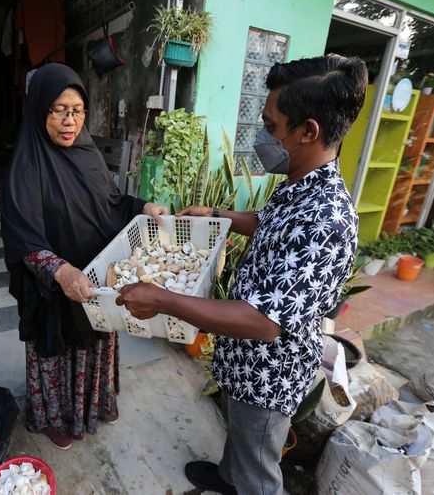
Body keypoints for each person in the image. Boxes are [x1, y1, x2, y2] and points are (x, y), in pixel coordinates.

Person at [115, 54, 367, 494]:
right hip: (242, 363)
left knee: (259, 469)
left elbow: (263, 322)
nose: (264, 137)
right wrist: (219, 215)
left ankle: (242, 483)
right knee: (240, 439)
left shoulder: (326, 217)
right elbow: (269, 223)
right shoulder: (301, 184)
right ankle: (227, 477)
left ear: (309, 131)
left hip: (268, 374)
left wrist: (162, 299)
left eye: (272, 127)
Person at [0, 63, 167, 450]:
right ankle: (57, 418)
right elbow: (22, 239)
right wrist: (60, 272)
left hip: (95, 278)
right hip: (57, 287)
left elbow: (110, 202)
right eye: (58, 109)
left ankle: (96, 404)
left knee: (96, 341)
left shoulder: (87, 153)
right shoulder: (25, 166)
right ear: (40, 109)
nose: (69, 120)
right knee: (59, 350)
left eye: (77, 110)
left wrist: (144, 206)